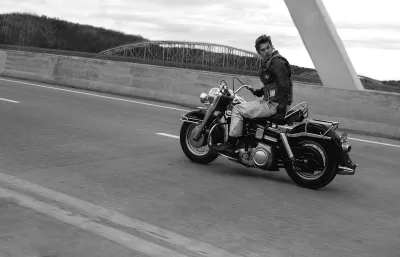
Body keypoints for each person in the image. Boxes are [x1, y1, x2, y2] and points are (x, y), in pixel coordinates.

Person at [214, 34, 293, 154]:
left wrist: (281, 109)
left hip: (274, 104)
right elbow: (274, 84)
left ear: (272, 47)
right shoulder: (272, 62)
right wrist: (260, 91)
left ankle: (230, 144)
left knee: (237, 109)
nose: (266, 51)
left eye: (268, 48)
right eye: (263, 50)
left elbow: (284, 85)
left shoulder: (277, 62)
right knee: (247, 110)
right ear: (259, 52)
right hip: (273, 102)